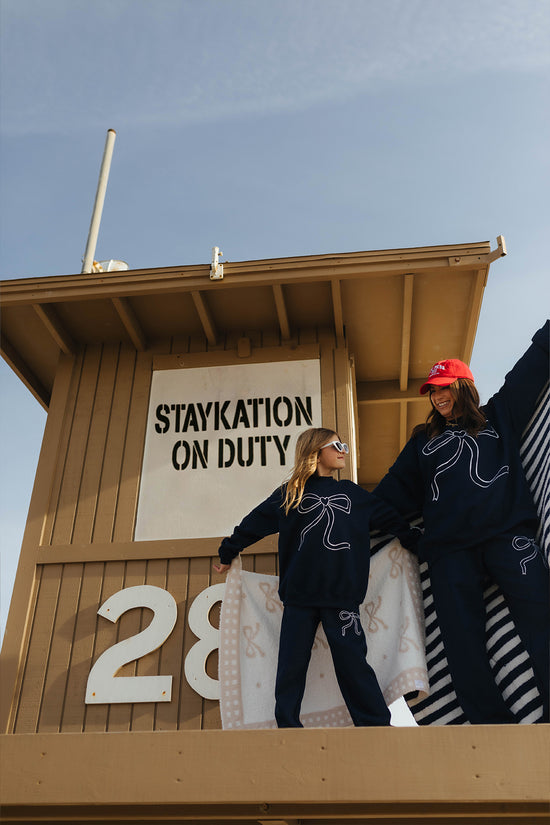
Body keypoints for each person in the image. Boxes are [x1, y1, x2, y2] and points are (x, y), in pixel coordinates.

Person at [374, 320, 550, 724]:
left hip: (508, 537)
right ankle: (493, 727)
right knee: (461, 646)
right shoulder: (422, 442)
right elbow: (387, 496)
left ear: (464, 388)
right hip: (451, 552)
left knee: (542, 620)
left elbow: (533, 365)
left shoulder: (499, 416)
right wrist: (397, 532)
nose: (437, 397)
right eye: (433, 391)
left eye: (444, 388)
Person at [214, 426, 420, 728]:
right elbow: (253, 523)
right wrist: (227, 551)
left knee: (353, 664)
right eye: (336, 445)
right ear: (315, 451)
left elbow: (391, 520)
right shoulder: (289, 494)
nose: (342, 451)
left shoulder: (352, 493)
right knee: (291, 666)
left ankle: (375, 725)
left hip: (342, 598)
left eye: (344, 446)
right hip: (299, 597)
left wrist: (418, 543)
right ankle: (288, 725)